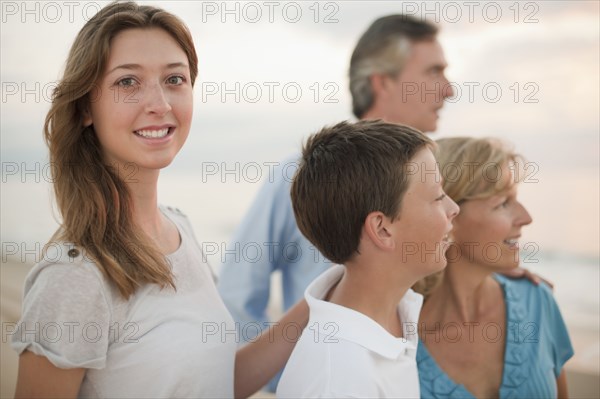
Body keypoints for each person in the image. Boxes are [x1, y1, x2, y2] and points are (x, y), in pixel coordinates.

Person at [10, 2, 307, 398]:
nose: (160, 104)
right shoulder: (74, 276)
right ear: (85, 107)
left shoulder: (179, 227)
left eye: (174, 79)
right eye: (128, 82)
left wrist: (324, 298)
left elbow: (215, 380)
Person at [217, 12, 453, 353]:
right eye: (433, 72)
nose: (448, 89)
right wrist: (287, 378)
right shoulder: (300, 177)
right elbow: (237, 297)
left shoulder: (438, 183)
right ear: (382, 82)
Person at [275, 120, 459, 397]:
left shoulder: (393, 318)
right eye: (437, 196)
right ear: (382, 229)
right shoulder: (339, 379)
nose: (453, 208)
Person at [415, 137, 573, 398]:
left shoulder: (537, 300)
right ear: (448, 216)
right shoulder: (399, 334)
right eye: (503, 203)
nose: (526, 217)